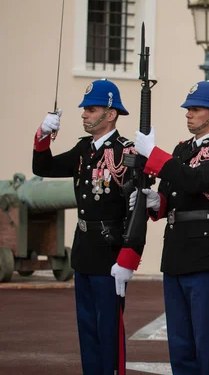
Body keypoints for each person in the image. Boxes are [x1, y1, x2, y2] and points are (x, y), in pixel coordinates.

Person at [130, 80, 209, 374]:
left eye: (196, 109)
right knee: (179, 342)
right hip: (177, 250)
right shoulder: (181, 150)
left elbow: (195, 181)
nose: (188, 114)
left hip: (205, 251)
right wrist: (156, 201)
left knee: (207, 341)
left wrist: (154, 154)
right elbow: (171, 195)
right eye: (188, 109)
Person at [32, 78, 140, 374]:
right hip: (84, 250)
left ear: (110, 113)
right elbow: (43, 168)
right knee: (87, 330)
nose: (84, 114)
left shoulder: (126, 153)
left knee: (109, 330)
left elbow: (136, 211)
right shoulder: (84, 150)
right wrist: (44, 135)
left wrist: (129, 257)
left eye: (91, 109)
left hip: (110, 252)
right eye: (84, 109)